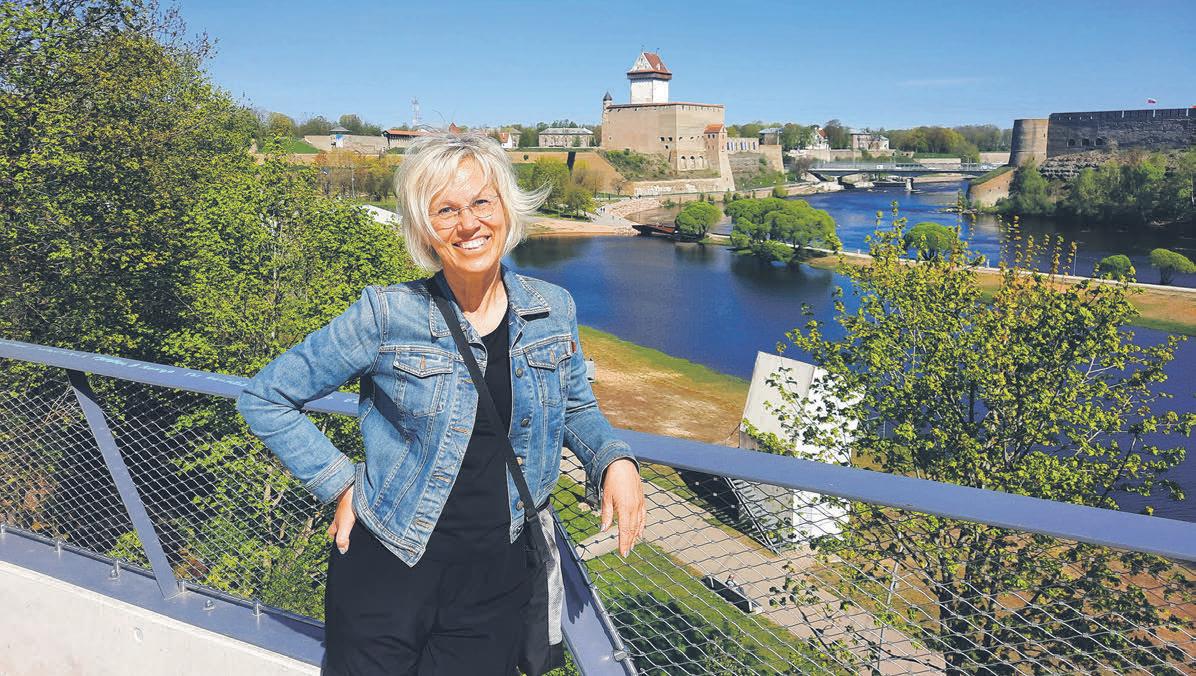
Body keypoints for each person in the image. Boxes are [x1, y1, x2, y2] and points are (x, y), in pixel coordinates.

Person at [236, 130, 646, 675]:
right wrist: (339, 483)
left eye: (482, 202)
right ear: (425, 230)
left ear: (506, 208)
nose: (469, 224)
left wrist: (613, 459)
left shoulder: (554, 309)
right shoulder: (388, 315)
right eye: (446, 210)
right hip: (388, 565)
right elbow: (267, 396)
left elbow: (574, 405)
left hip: (495, 579)